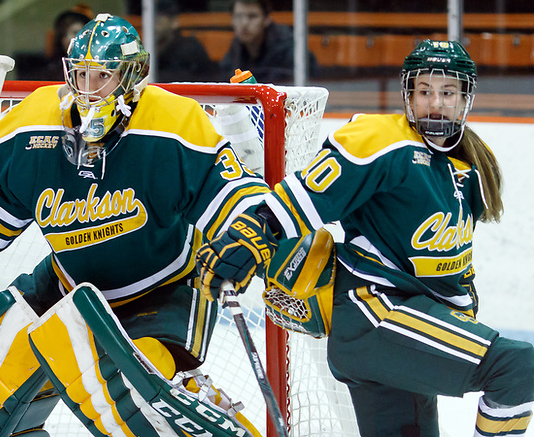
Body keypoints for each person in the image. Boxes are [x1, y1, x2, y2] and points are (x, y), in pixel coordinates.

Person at [0, 14, 267, 437]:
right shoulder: (30, 128)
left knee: (133, 401)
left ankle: (191, 395)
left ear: (134, 77)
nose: (89, 90)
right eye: (80, 75)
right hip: (65, 289)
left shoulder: (174, 125)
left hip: (162, 293)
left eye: (103, 76)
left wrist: (246, 235)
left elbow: (241, 201)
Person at [197, 39, 534, 436]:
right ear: (408, 96)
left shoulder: (468, 169)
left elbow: (449, 272)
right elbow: (305, 198)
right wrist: (249, 236)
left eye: (448, 92)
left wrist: (460, 322)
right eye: (425, 91)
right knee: (518, 368)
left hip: (407, 329)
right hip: (374, 316)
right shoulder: (384, 142)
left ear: (465, 100)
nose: (436, 102)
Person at [219, 0, 317, 84]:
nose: (244, 23)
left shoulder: (289, 48)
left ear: (266, 19)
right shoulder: (235, 48)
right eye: (238, 16)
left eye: (252, 16)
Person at [16, 4, 93, 80]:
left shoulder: (95, 68)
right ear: (63, 38)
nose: (79, 38)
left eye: (83, 33)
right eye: (75, 32)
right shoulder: (49, 71)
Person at [154, 0, 218, 82]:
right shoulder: (148, 50)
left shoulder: (190, 49)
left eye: (158, 21)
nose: (154, 26)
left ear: (174, 22)